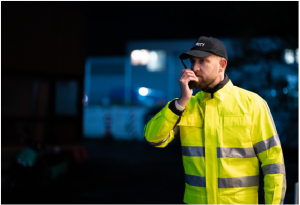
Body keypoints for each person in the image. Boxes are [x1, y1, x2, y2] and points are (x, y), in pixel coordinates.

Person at [144, 36, 286, 204]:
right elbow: (154, 138)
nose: (195, 68)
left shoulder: (252, 104)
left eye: (203, 61)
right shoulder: (185, 105)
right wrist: (181, 102)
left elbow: (273, 164)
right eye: (192, 62)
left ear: (222, 65)